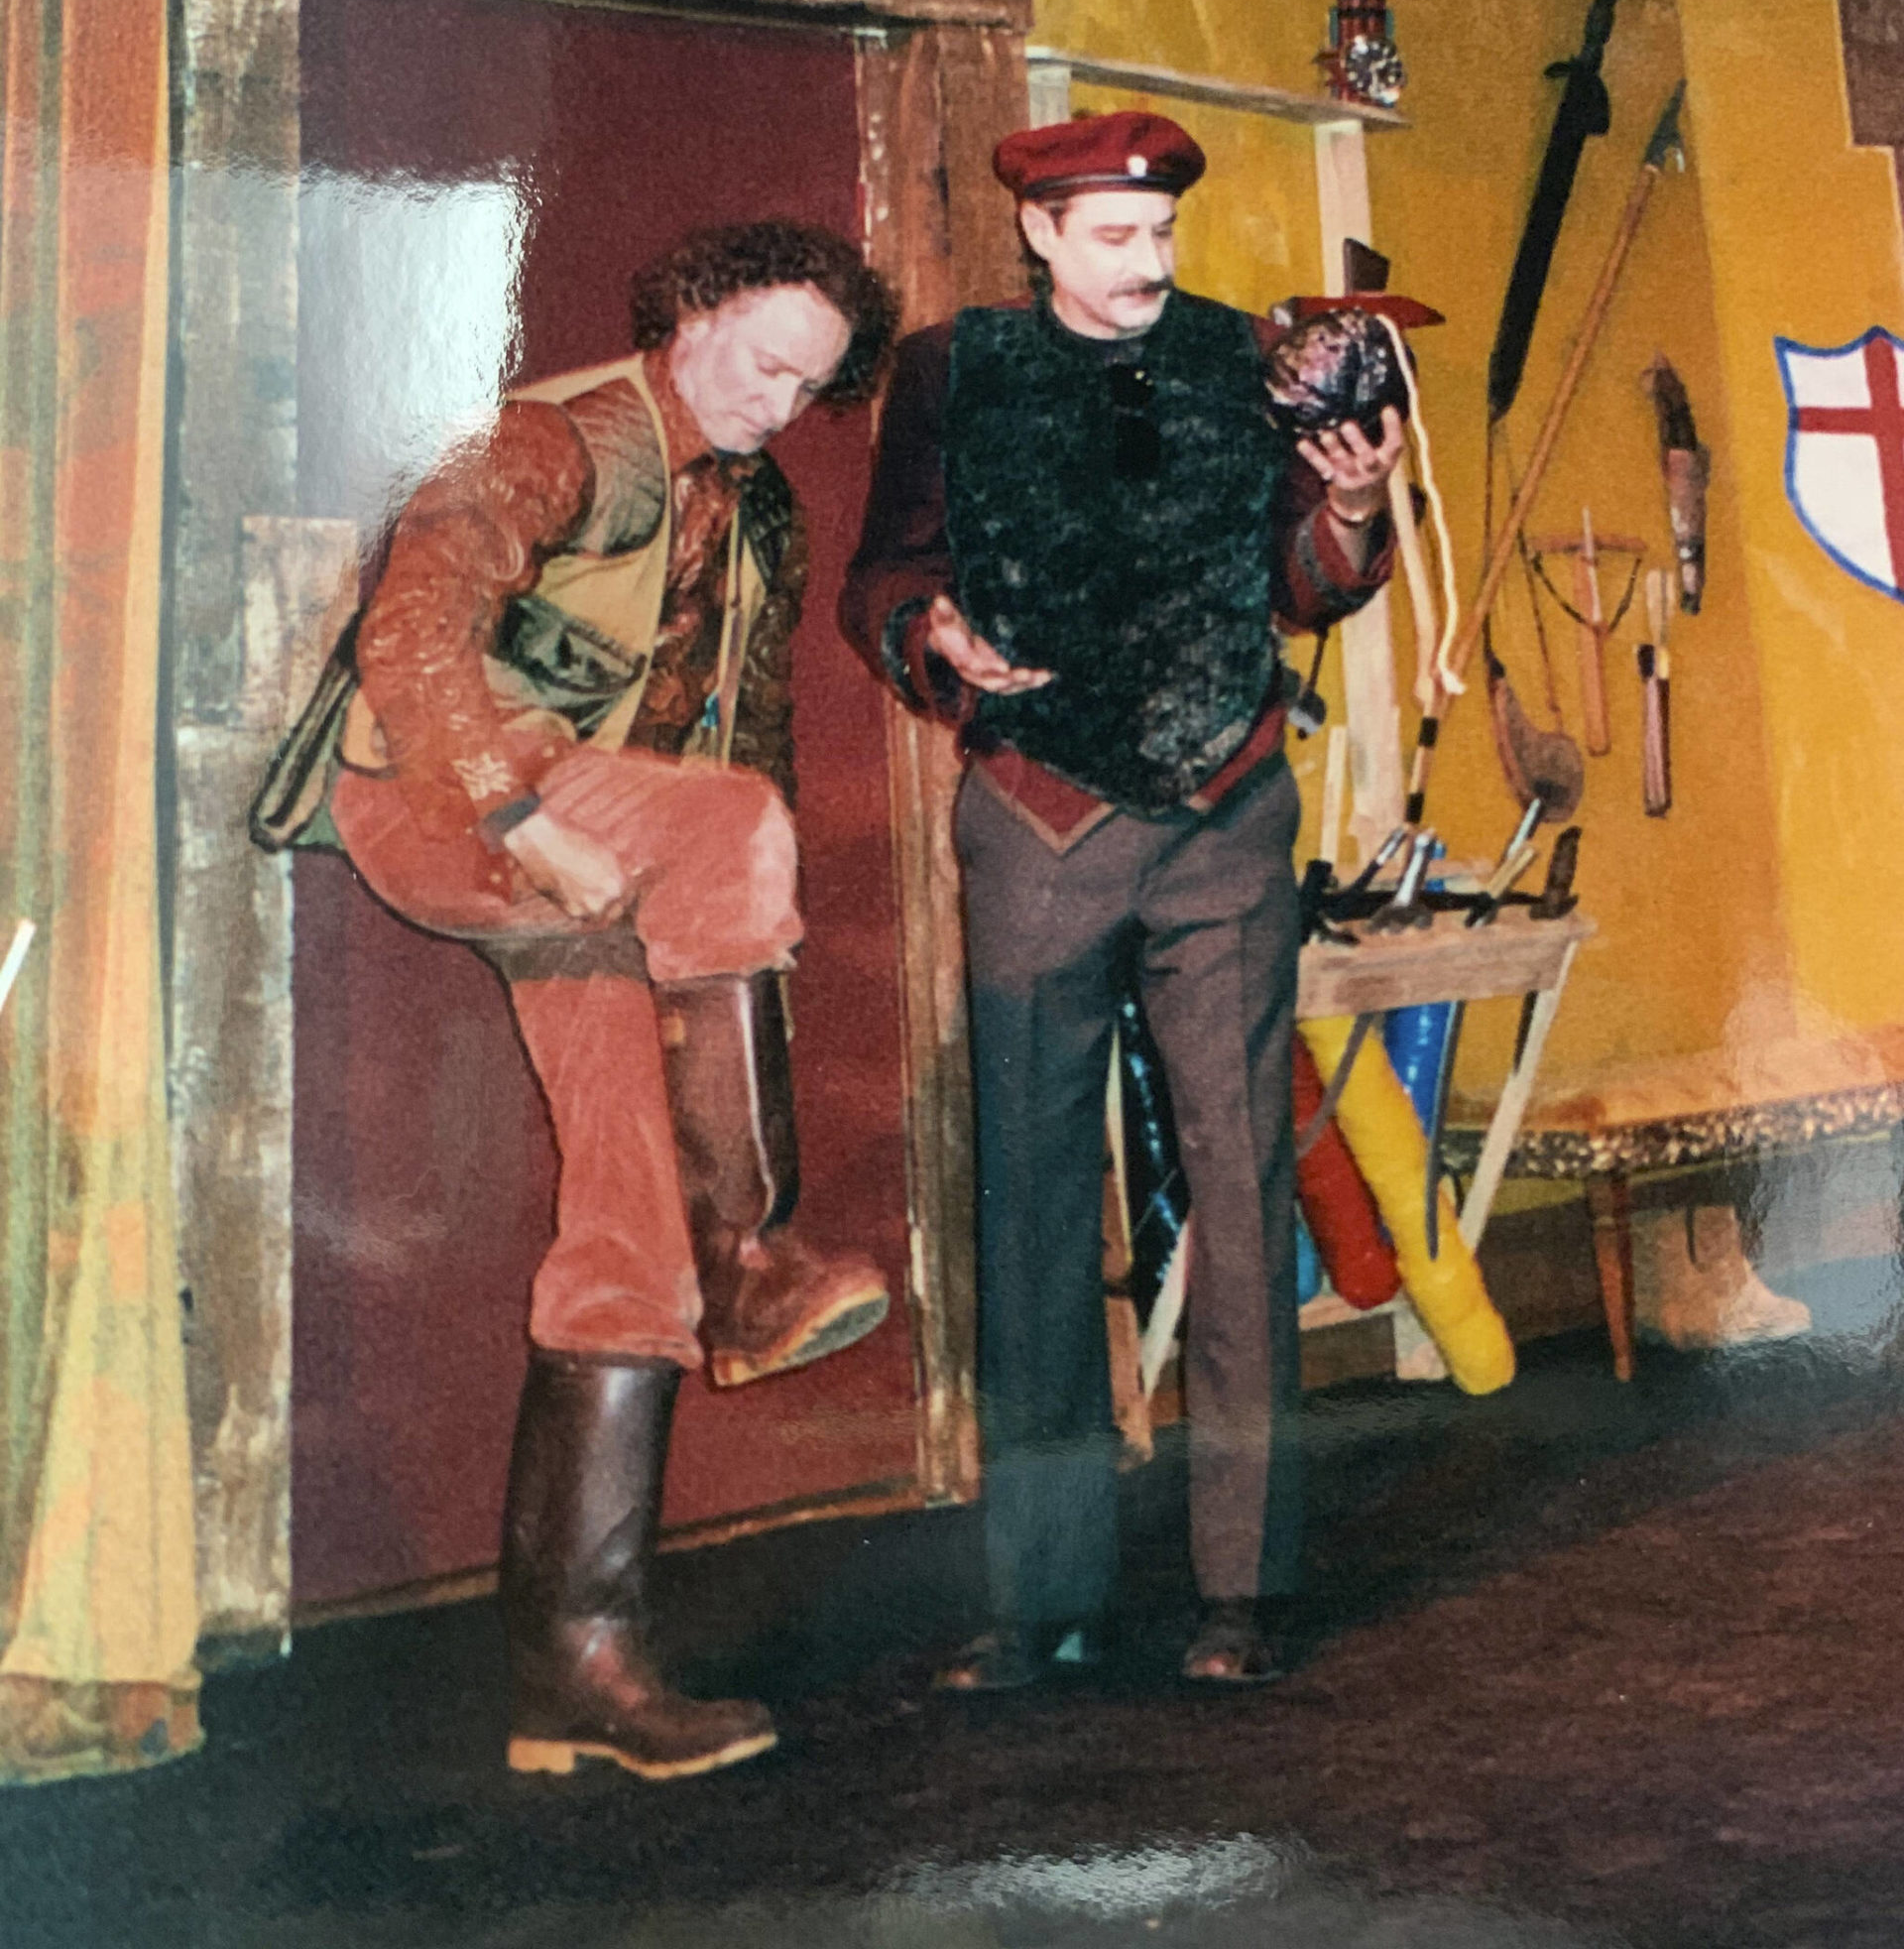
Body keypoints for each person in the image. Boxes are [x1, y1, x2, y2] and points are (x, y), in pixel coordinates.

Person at [322, 219, 900, 1781]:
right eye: (762, 363)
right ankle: (748, 1257)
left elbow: (743, 749)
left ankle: (575, 1672)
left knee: (627, 1222)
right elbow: (409, 634)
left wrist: (741, 921)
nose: (778, 404)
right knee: (726, 824)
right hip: (450, 801)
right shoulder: (556, 440)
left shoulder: (759, 511)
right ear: (691, 312)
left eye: (810, 386)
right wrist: (522, 813)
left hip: (610, 857)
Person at [841, 110, 1402, 1690]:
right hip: (1038, 818)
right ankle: (1039, 1600)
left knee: (1243, 1183)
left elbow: (1301, 578)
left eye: (1160, 234)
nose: (1148, 263)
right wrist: (934, 634)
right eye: (1112, 237)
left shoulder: (1243, 361)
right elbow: (884, 573)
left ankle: (1245, 1591)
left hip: (1225, 812)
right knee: (1029, 1202)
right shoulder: (951, 373)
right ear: (1038, 234)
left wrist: (1355, 508)